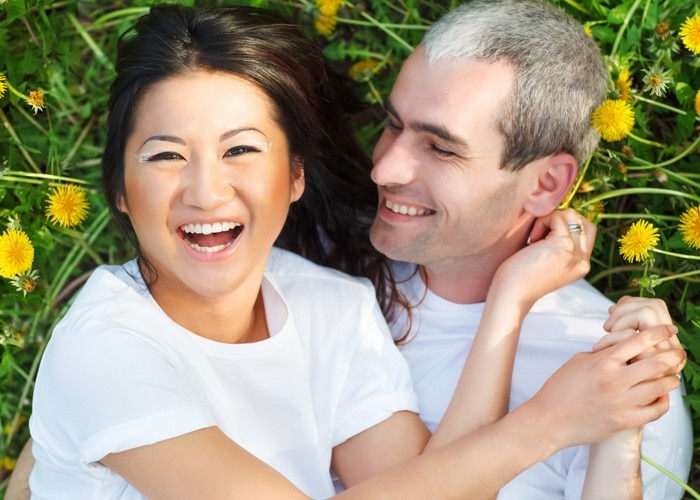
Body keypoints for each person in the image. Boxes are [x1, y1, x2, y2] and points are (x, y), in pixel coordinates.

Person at [8, 4, 684, 500]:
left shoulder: (328, 301)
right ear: (119, 190)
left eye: (241, 149)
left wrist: (506, 305)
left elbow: (433, 486)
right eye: (164, 157)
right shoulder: (107, 347)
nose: (207, 191)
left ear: (294, 176)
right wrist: (547, 423)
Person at [362, 0, 693, 498]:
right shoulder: (321, 275)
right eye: (393, 123)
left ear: (545, 184)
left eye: (441, 148)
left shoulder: (612, 377)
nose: (384, 169)